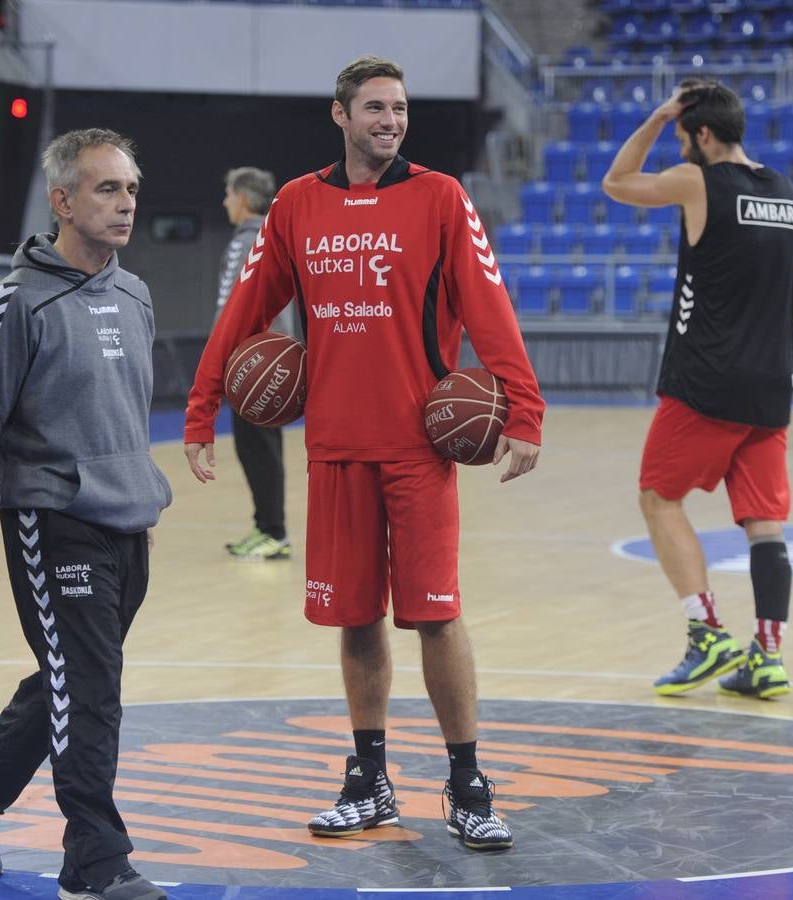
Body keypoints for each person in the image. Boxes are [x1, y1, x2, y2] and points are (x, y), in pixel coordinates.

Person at [183, 55, 544, 851]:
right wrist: (202, 409)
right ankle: (370, 779)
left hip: (419, 450)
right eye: (376, 107)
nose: (391, 119)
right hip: (336, 449)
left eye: (400, 108)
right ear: (340, 115)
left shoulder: (441, 197)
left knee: (437, 618)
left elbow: (490, 306)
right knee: (355, 621)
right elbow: (245, 312)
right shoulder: (295, 206)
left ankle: (466, 781)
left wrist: (526, 408)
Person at [0, 128, 173, 900]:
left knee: (70, 680)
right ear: (63, 200)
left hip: (129, 518)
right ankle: (94, 863)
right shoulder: (15, 303)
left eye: (131, 189)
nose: (125, 203)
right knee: (93, 686)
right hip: (51, 516)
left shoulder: (134, 293)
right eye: (107, 188)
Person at [602, 80, 793, 701]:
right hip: (771, 383)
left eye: (687, 138)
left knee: (659, 500)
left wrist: (659, 116)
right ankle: (767, 656)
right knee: (765, 524)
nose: (684, 148)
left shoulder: (699, 182)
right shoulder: (787, 193)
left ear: (703, 135)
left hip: (706, 381)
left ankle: (707, 631)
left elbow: (617, 182)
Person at [214, 166, 295, 560]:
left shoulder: (252, 240)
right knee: (258, 450)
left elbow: (237, 310)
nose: (225, 202)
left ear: (243, 198)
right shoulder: (265, 236)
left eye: (229, 194)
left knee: (259, 451)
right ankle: (266, 527)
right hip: (261, 363)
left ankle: (273, 533)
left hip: (255, 368)